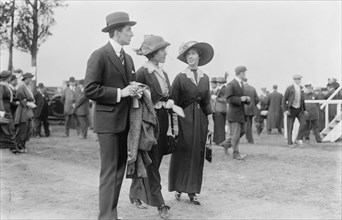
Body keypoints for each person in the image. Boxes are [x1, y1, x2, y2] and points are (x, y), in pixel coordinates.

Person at [84, 11, 139, 220]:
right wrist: (120, 93)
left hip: (125, 122)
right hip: (107, 123)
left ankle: (110, 214)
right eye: (129, 30)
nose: (132, 34)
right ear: (117, 32)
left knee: (118, 170)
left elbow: (126, 86)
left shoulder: (129, 59)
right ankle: (106, 217)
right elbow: (89, 89)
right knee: (109, 171)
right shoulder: (99, 55)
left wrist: (134, 88)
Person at [128, 35, 172, 218]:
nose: (165, 53)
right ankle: (160, 203)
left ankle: (134, 193)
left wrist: (170, 104)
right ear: (153, 53)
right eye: (162, 50)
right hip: (148, 122)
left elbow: (166, 97)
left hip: (163, 118)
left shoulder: (164, 73)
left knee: (154, 159)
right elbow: (135, 99)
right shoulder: (142, 72)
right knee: (152, 162)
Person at [168, 41, 214, 205]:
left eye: (193, 53)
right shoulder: (180, 78)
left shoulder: (205, 78)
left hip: (200, 119)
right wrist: (177, 123)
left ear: (199, 56)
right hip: (183, 119)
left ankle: (193, 191)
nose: (190, 57)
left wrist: (210, 120)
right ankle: (179, 187)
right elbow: (173, 102)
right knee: (183, 152)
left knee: (197, 153)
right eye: (188, 54)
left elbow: (207, 101)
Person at [220, 66, 250, 160]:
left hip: (241, 113)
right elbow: (228, 99)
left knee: (242, 131)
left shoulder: (240, 83)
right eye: (244, 72)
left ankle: (226, 144)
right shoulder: (231, 84)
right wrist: (241, 99)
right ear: (240, 73)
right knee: (236, 135)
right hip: (234, 114)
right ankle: (235, 153)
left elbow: (240, 98)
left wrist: (246, 99)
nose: (245, 74)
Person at [282, 74, 307, 147]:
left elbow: (302, 100)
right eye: (297, 79)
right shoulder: (289, 88)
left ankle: (298, 139)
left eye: (299, 79)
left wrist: (304, 110)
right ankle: (290, 143)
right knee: (290, 127)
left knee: (304, 124)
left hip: (299, 109)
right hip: (291, 109)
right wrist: (285, 110)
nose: (299, 81)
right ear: (294, 80)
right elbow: (283, 100)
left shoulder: (301, 88)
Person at [14, 72, 36, 153]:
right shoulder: (22, 87)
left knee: (28, 128)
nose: (30, 79)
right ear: (26, 78)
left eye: (31, 78)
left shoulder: (27, 86)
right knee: (22, 128)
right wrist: (27, 102)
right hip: (23, 109)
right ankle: (18, 146)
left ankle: (22, 145)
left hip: (28, 109)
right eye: (29, 78)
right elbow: (20, 98)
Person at [0, 71, 20, 153]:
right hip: (5, 110)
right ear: (7, 78)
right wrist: (1, 111)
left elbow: (9, 98)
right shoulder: (1, 86)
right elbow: (0, 99)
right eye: (9, 77)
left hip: (7, 109)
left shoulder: (5, 85)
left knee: (9, 128)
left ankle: (11, 147)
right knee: (8, 128)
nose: (10, 78)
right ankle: (10, 147)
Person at [242, 77, 259, 144]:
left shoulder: (242, 88)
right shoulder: (252, 88)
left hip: (244, 108)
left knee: (246, 125)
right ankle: (250, 139)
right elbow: (257, 99)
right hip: (251, 109)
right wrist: (253, 104)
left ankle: (249, 139)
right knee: (249, 124)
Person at [213, 76, 227, 145]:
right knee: (219, 125)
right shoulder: (221, 89)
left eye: (218, 82)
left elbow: (225, 99)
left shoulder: (224, 89)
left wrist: (216, 98)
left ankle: (220, 140)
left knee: (220, 126)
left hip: (220, 109)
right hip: (219, 109)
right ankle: (218, 140)